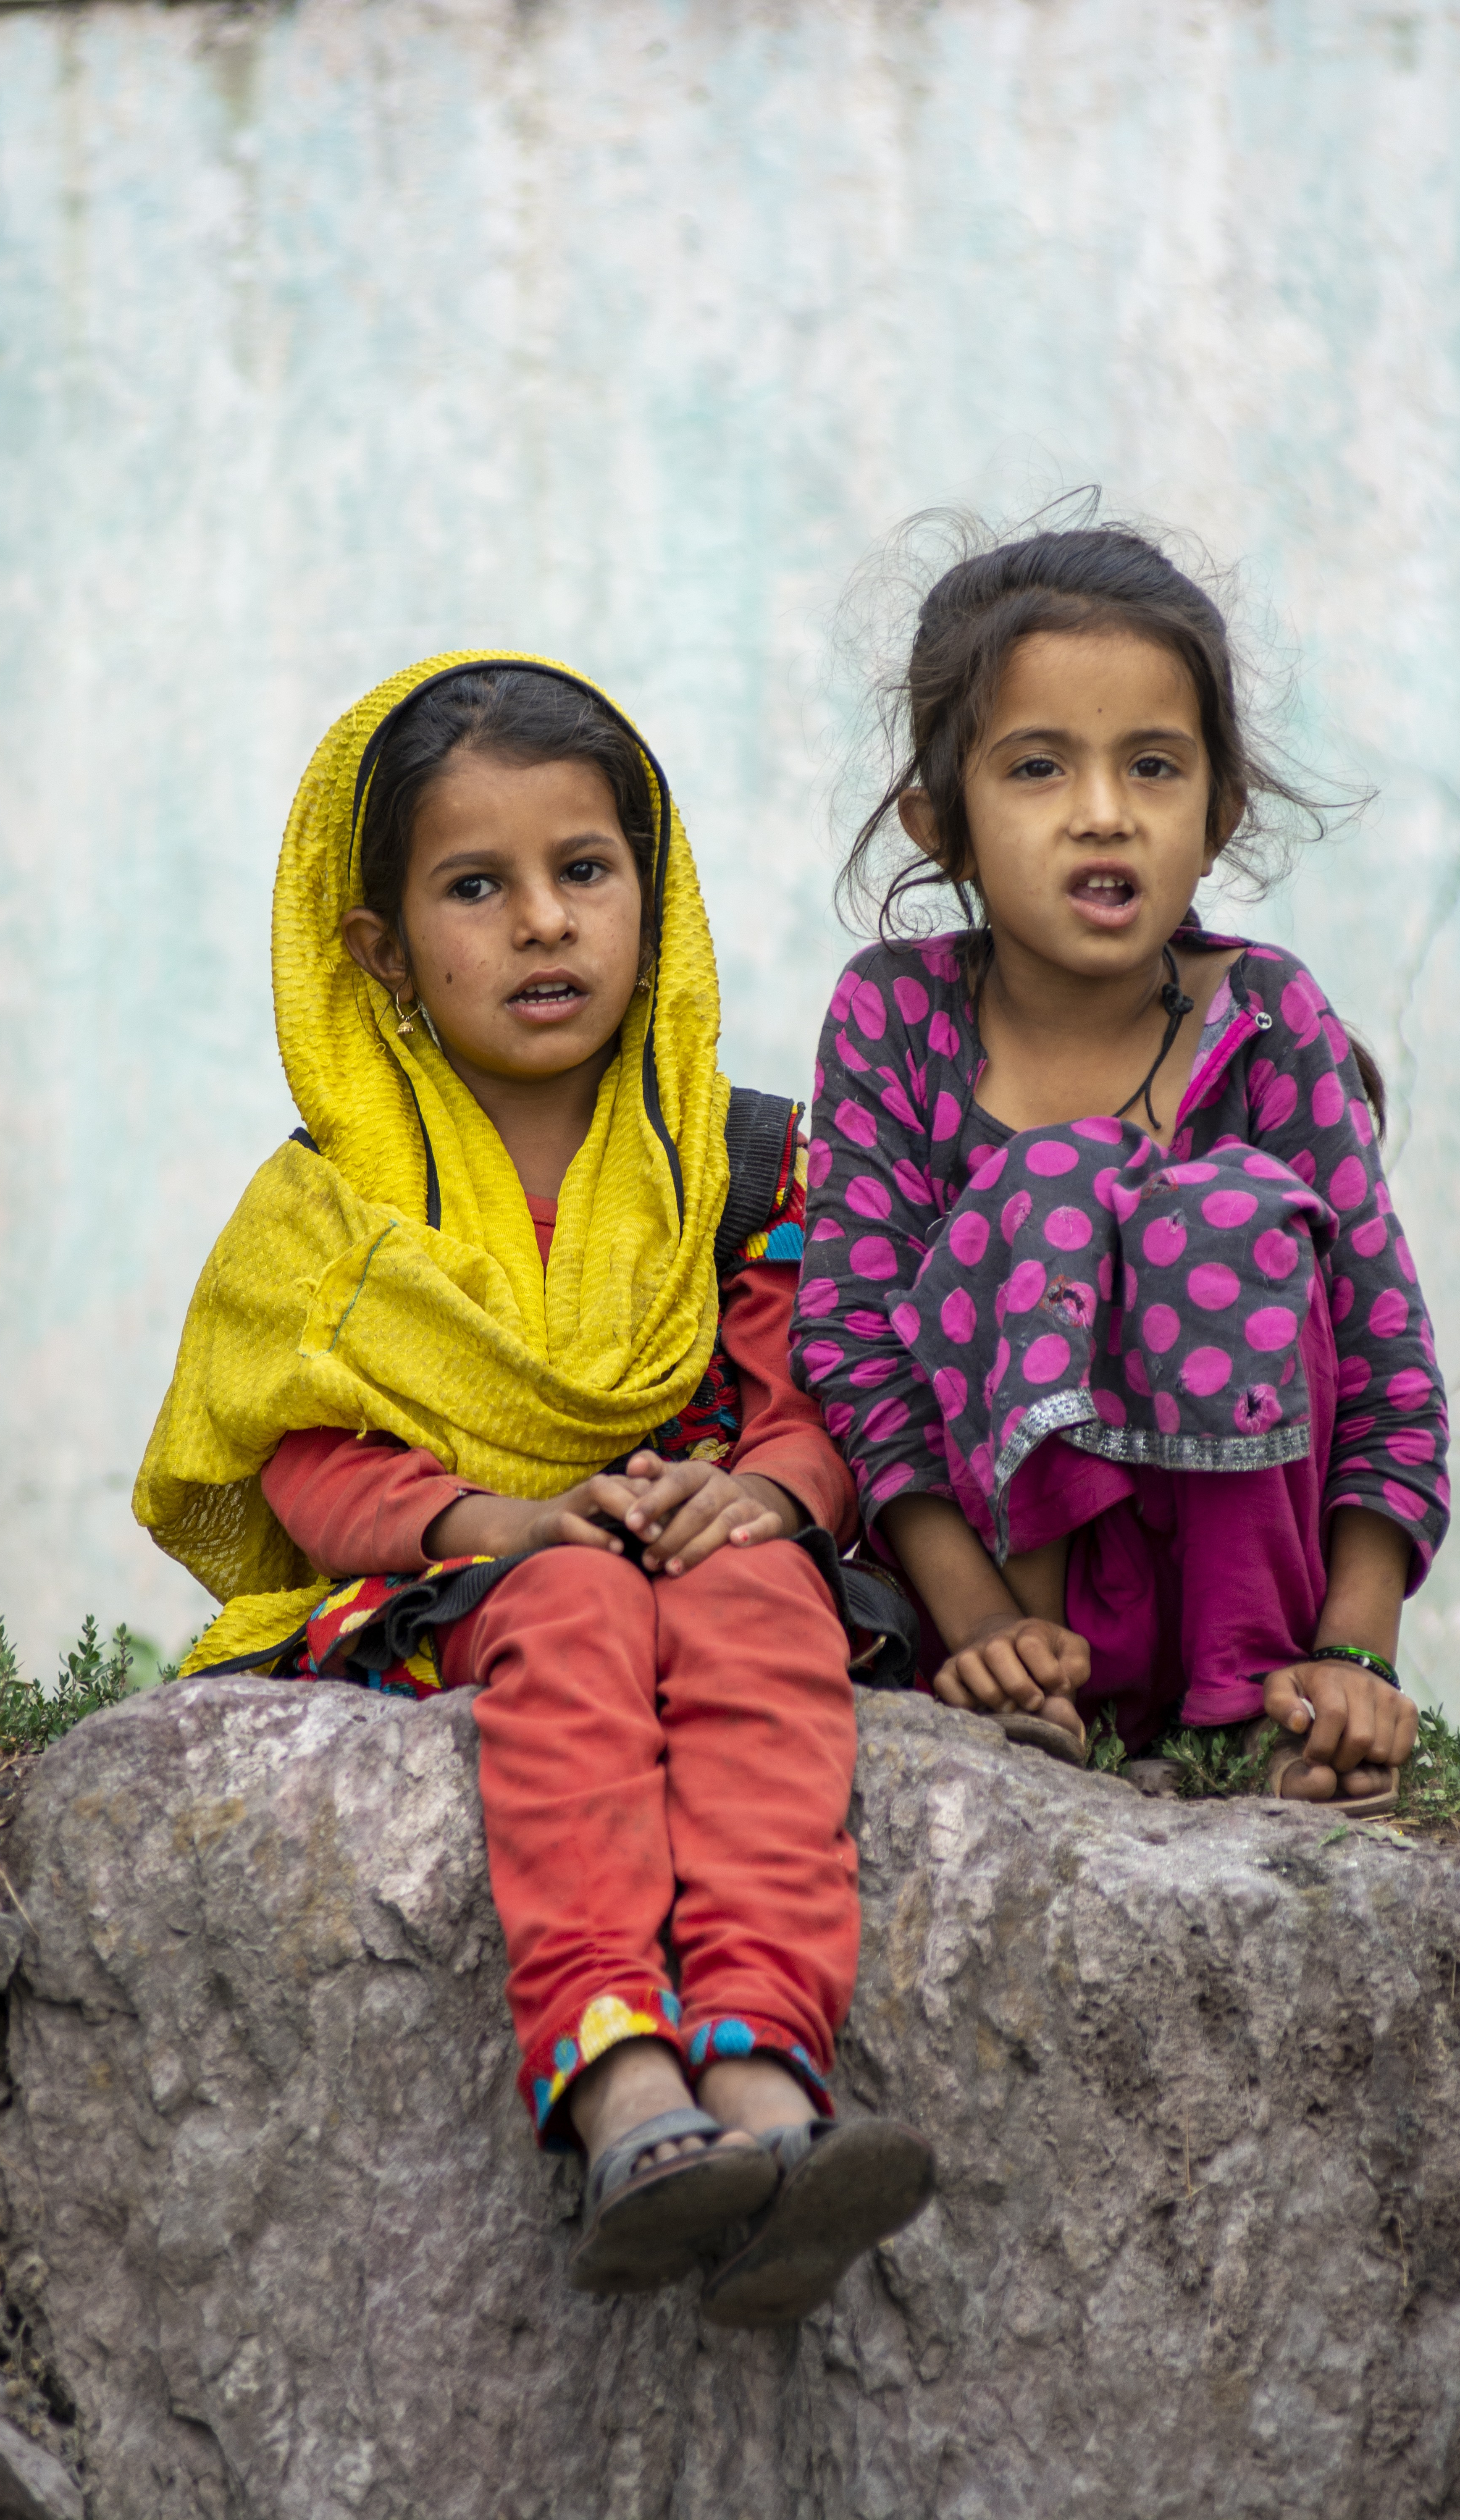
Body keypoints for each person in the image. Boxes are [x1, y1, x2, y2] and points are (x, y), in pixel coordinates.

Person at [135, 654, 932, 2327]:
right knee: (570, 1603)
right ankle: (621, 2089)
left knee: (757, 1606)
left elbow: (826, 1376)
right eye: (475, 887)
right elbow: (306, 1445)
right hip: (469, 1579)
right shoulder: (337, 1212)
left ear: (657, 887)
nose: (543, 924)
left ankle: (770, 2068)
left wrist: (771, 1497)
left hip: (713, 1545)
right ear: (377, 948)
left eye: (583, 871)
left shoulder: (753, 1157)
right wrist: (497, 1525)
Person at [791, 527, 1448, 1809]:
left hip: (1253, 1642)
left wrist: (1355, 1649)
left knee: (1219, 1208)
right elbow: (856, 1348)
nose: (1104, 812)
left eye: (1154, 766)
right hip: (1000, 1620)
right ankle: (1046, 1689)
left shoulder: (1269, 1021)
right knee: (1051, 1182)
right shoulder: (892, 1015)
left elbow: (1385, 1361)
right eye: (1038, 767)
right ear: (946, 827)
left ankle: (1262, 1704)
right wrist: (978, 1622)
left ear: (1217, 818)